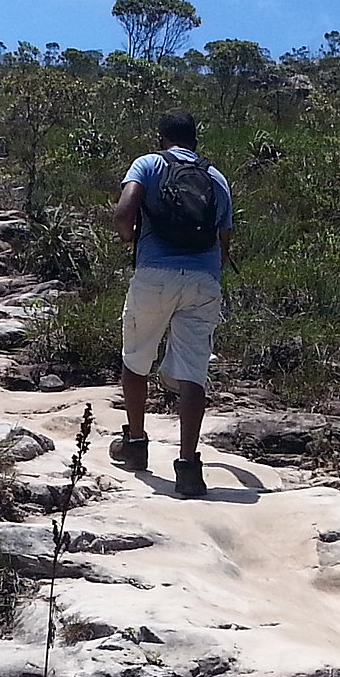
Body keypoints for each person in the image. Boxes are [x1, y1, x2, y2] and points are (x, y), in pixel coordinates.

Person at [110, 109, 233, 498]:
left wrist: (130, 240)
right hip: (204, 279)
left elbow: (124, 211)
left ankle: (135, 445)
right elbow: (224, 237)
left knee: (136, 358)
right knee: (193, 372)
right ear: (195, 139)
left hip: (154, 274)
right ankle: (189, 467)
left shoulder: (149, 163)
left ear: (161, 137)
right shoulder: (216, 177)